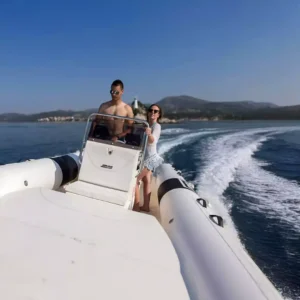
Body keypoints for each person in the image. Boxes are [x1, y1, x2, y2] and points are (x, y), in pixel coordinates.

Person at [133, 104, 164, 212]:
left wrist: (149, 134)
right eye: (151, 110)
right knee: (146, 181)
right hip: (149, 157)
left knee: (135, 180)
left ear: (158, 114)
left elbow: (152, 141)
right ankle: (146, 206)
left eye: (156, 111)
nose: (153, 112)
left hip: (150, 158)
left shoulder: (156, 126)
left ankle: (136, 206)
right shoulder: (147, 125)